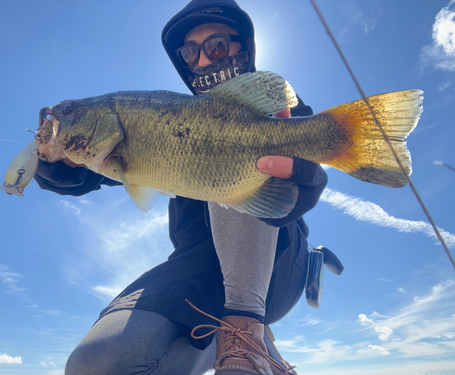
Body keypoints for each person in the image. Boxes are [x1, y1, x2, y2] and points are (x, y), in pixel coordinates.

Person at [35, 0, 328, 374]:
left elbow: (304, 156)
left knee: (221, 164)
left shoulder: (273, 105)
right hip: (196, 267)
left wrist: (306, 180)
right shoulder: (156, 122)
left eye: (217, 46)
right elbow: (80, 177)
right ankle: (245, 345)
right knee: (94, 365)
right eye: (190, 52)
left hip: (276, 264)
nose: (204, 61)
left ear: (245, 48)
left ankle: (247, 332)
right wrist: (51, 162)